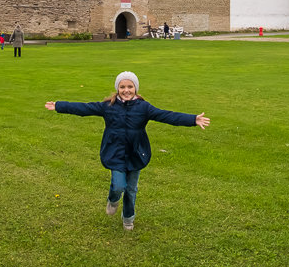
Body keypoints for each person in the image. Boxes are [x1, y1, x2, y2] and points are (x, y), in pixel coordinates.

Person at [45, 71, 210, 230]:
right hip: (115, 153)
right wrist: (59, 105)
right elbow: (83, 108)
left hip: (136, 154)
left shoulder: (144, 108)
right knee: (118, 186)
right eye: (122, 87)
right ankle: (113, 199)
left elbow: (166, 115)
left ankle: (128, 218)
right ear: (117, 88)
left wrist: (192, 119)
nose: (126, 90)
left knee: (131, 189)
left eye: (130, 86)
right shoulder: (108, 106)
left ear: (135, 88)